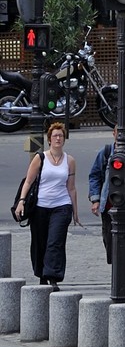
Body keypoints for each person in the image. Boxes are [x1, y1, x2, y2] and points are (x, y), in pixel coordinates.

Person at [14, 119, 79, 288]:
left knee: (55, 241)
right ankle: (42, 274)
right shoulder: (40, 158)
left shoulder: (70, 160)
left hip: (62, 205)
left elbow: (71, 188)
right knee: (40, 242)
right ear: (49, 139)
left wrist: (75, 211)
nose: (58, 138)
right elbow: (28, 182)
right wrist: (21, 202)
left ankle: (53, 277)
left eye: (61, 136)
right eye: (55, 136)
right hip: (40, 206)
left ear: (64, 139)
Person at [88, 131, 125, 266]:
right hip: (109, 205)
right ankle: (118, 268)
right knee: (109, 242)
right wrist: (95, 199)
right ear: (114, 134)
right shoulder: (106, 152)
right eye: (119, 134)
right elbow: (95, 175)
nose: (122, 137)